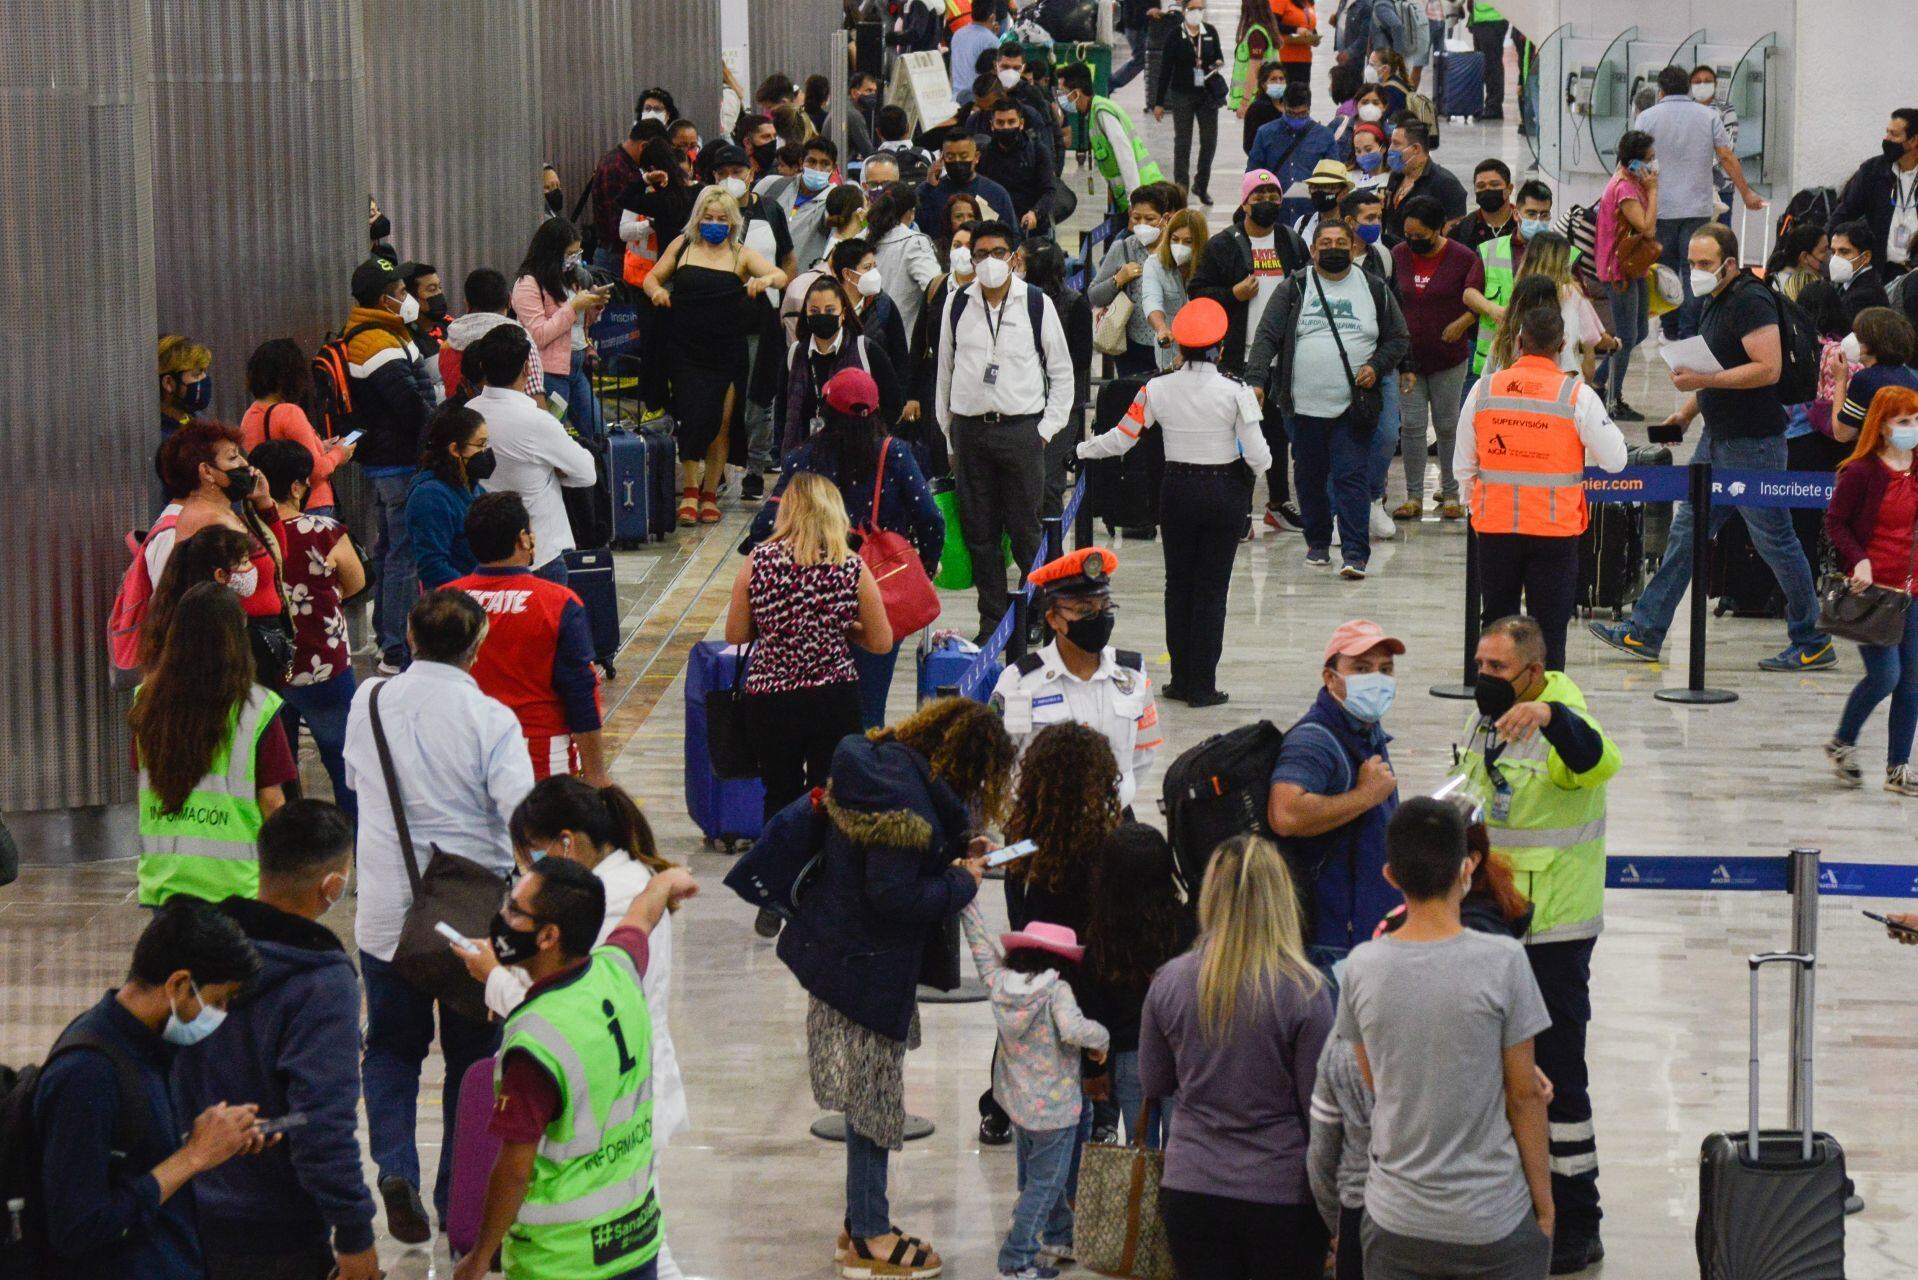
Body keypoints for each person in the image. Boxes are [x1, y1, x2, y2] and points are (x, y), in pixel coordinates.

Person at [776, 697, 1017, 1279]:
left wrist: (958, 851)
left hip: (846, 959)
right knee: (874, 1106)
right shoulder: (901, 806)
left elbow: (901, 859)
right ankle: (870, 1238)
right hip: (867, 972)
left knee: (869, 1101)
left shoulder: (885, 769)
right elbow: (895, 895)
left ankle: (859, 1219)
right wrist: (961, 882)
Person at [345, 589, 533, 1241]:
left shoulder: (366, 702)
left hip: (386, 913)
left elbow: (356, 782)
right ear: (477, 647)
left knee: (392, 1049)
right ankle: (459, 1203)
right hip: (469, 918)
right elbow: (522, 814)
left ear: (410, 636)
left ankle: (396, 1166)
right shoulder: (493, 720)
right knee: (474, 1058)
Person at [1451, 615, 1619, 1273]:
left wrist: (1550, 715)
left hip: (1552, 934)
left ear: (1533, 671)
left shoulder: (1563, 717)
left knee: (1559, 1080)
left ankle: (1579, 1223)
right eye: (1480, 665)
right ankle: (1518, 1204)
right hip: (1493, 928)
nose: (1484, 677)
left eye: (1496, 668)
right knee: (1502, 1077)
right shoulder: (1487, 719)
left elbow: (1596, 758)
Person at [1591, 224, 1835, 671]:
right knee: (1687, 534)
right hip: (1718, 438)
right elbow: (1713, 363)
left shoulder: (1750, 300)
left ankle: (1813, 638)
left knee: (1775, 540)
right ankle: (1644, 630)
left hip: (1754, 443)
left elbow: (1768, 369)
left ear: (1729, 263)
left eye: (1704, 264)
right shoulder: (1716, 301)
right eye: (1691, 264)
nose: (1695, 273)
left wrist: (1702, 382)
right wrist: (1687, 412)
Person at [1336, 797, 1555, 1278]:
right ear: (1467, 869)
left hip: (1396, 1219)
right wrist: (1544, 1208)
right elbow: (1524, 1097)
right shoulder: (1504, 962)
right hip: (1490, 1220)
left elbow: (1378, 1083)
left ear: (1391, 876)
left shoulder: (1360, 969)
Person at [449, 857, 698, 1280]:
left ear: (548, 936)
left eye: (515, 911)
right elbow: (643, 913)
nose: (503, 918)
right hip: (635, 1242)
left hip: (563, 1260)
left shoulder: (536, 1042)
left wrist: (479, 1255)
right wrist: (666, 882)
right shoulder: (617, 970)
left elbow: (514, 1169)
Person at [172, 801, 377, 1280]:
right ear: (332, 886)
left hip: (180, 1204)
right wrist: (354, 1233)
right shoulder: (321, 981)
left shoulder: (189, 950)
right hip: (275, 1232)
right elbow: (320, 1122)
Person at [33, 898, 268, 1280]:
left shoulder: (150, 1047)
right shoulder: (87, 1073)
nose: (221, 1015)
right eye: (217, 1001)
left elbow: (132, 1163)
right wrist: (191, 1157)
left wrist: (210, 1140)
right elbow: (76, 1227)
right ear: (178, 984)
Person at [1139, 834, 1335, 1280]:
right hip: (1281, 1192)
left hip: (1191, 1186)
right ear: (1282, 898)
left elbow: (1154, 1083)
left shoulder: (1170, 980)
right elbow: (1318, 1110)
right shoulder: (1306, 990)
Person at [1078, 300, 1270, 704]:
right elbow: (1260, 457)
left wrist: (1082, 450)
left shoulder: (1155, 389)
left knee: (1177, 586)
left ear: (1179, 348)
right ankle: (1204, 685)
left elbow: (1122, 438)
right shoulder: (1236, 391)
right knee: (1212, 591)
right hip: (1222, 494)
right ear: (1219, 349)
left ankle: (1179, 680)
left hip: (1176, 491)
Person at [749, 368, 942, 727]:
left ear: (826, 411)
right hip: (882, 595)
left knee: (809, 714)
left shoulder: (802, 458)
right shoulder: (895, 454)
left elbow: (764, 526)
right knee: (870, 711)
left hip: (808, 599)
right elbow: (930, 517)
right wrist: (925, 568)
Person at [1456, 305, 1628, 670]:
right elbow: (1616, 460)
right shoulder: (1577, 396)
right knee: (1550, 632)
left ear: (1518, 342)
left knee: (1497, 626)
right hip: (1555, 530)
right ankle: (1547, 712)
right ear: (1562, 345)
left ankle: (1496, 711)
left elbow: (1463, 465)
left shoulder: (1483, 390)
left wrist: (1479, 504)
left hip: (1496, 527)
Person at [1244, 219, 1411, 579]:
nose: (1333, 248)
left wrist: (1376, 365)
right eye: (1326, 243)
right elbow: (1266, 337)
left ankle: (1355, 554)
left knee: (1351, 476)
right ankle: (1318, 543)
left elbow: (1398, 338)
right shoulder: (1295, 286)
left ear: (1353, 249)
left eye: (1341, 242)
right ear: (1314, 250)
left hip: (1351, 405)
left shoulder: (1374, 288)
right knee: (1309, 476)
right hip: (1301, 405)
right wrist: (1256, 381)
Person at [935, 220, 1074, 637]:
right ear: (971, 260)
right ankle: (992, 622)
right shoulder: (958, 303)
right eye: (982, 255)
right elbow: (944, 372)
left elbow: (1062, 373)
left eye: (999, 253)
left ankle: (1039, 617)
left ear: (1013, 257)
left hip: (1022, 432)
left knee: (1027, 531)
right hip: (971, 433)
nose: (990, 262)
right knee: (980, 534)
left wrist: (1045, 430)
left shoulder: (1035, 303)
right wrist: (949, 434)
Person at [960, 896, 1111, 1280]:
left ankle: (1059, 1236)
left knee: (1044, 1178)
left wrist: (967, 902)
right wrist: (1102, 1038)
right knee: (1044, 1185)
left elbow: (980, 947)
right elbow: (1076, 1030)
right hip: (1056, 1112)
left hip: (1018, 1106)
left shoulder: (1000, 984)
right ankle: (1015, 1260)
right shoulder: (1056, 991)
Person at [726, 471, 892, 818]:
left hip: (771, 695)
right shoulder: (850, 565)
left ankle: (779, 867)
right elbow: (881, 642)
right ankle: (823, 868)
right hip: (833, 695)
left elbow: (736, 634)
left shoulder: (758, 561)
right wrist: (840, 628)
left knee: (778, 792)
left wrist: (777, 625)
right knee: (830, 796)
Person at [132, 582, 292, 906]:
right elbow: (272, 801)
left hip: (165, 881)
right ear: (236, 637)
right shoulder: (257, 707)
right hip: (234, 885)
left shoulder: (146, 700)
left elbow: (142, 771)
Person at [645, 186, 789, 524]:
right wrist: (656, 293)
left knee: (721, 421)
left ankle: (710, 491)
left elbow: (781, 275)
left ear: (732, 222)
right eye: (708, 218)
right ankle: (691, 488)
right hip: (685, 347)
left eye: (721, 219)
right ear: (698, 219)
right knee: (692, 415)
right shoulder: (682, 247)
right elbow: (652, 277)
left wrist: (763, 280)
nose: (714, 223)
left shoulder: (741, 254)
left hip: (726, 349)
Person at [1263, 618, 1404, 959]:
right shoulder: (1314, 740)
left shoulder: (1362, 729)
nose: (1377, 679)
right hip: (1330, 940)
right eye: (1361, 668)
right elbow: (1284, 814)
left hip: (1362, 930)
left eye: (1385, 670)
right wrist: (1365, 796)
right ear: (1330, 678)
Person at [447, 492, 606, 785]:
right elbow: (581, 691)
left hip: (458, 756)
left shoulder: (442, 600)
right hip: (540, 760)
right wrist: (596, 774)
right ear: (523, 539)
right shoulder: (558, 603)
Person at [988, 547, 1164, 802]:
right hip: (1043, 826)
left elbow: (1142, 755)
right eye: (1085, 611)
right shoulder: (1021, 681)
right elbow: (1000, 762)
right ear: (1054, 619)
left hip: (1113, 822)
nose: (1099, 618)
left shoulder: (1131, 674)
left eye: (1105, 608)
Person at [1190, 169, 1311, 529]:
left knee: (1277, 433)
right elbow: (1197, 291)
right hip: (1237, 357)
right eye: (1259, 197)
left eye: (1274, 196)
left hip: (1282, 357)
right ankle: (1238, 508)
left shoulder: (1290, 241)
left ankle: (1277, 503)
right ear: (1245, 202)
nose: (1268, 203)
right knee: (1236, 434)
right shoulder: (1224, 244)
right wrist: (1232, 295)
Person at [250, 439, 365, 817]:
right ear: (298, 487)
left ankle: (288, 841)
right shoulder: (324, 529)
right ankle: (354, 842)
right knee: (343, 763)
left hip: (268, 669)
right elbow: (357, 581)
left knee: (275, 770)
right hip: (325, 663)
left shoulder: (245, 536)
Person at [1078, 821, 1198, 1147]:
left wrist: (1093, 1070)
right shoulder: (1185, 926)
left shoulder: (1101, 934)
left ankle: (1140, 1199)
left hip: (1130, 1054)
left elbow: (1092, 1010)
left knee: (1139, 1146)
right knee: (1180, 1145)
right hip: (1179, 1050)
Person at [1824, 387, 1918, 792]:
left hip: (1912, 591)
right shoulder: (1861, 472)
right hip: (1874, 592)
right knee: (1886, 676)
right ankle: (1844, 740)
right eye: (1903, 422)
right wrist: (1858, 558)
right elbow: (1836, 523)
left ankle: (1898, 767)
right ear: (1881, 426)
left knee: (1912, 680)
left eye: (1915, 421)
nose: (1912, 429)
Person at [1635, 65, 1765, 341]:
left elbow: (1635, 163)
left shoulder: (1646, 117)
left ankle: (1669, 331)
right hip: (1698, 207)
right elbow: (1727, 157)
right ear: (1689, 88)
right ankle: (1689, 331)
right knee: (1695, 269)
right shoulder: (1708, 116)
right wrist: (1746, 193)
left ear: (1661, 91)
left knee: (1664, 271)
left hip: (1660, 209)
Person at [464, 324, 597, 583]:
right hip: (538, 553)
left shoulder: (468, 414)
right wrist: (558, 472)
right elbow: (586, 473)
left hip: (484, 550)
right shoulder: (537, 421)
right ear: (527, 368)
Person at [1392, 194, 1482, 521]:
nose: (1413, 242)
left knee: (1447, 425)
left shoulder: (1463, 258)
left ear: (1438, 229)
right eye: (1408, 235)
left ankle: (1452, 493)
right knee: (1412, 427)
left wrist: (1462, 322)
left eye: (1420, 236)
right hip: (1409, 361)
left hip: (1449, 358)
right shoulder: (1398, 256)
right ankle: (1413, 496)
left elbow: (1478, 300)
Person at [779, 277, 904, 450]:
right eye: (814, 311)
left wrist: (874, 438)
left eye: (830, 310)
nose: (822, 315)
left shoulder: (865, 350)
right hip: (804, 459)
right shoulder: (794, 354)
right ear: (806, 314)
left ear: (843, 313)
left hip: (856, 456)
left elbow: (894, 401)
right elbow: (782, 411)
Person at [511, 217, 607, 441]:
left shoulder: (572, 278)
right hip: (549, 374)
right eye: (569, 254)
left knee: (600, 434)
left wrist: (594, 306)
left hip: (577, 367)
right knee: (553, 438)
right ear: (552, 252)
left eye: (577, 253)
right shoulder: (527, 284)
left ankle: (599, 475)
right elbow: (538, 335)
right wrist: (574, 307)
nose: (574, 260)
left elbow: (578, 326)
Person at [241, 339, 354, 517]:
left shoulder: (250, 415)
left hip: (273, 507)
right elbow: (315, 470)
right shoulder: (290, 413)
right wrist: (340, 453)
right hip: (312, 505)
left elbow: (282, 455)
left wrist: (320, 446)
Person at [1464, 178, 1557, 379]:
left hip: (1545, 359)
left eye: (1544, 215)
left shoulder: (1563, 254)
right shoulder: (1491, 249)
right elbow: (1469, 293)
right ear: (1517, 214)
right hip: (1498, 355)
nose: (1538, 220)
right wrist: (1493, 310)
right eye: (1531, 214)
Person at [1595, 129, 1658, 421]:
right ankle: (1612, 397)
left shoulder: (1632, 180)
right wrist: (1654, 190)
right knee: (1626, 335)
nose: (1653, 164)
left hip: (1634, 266)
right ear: (1633, 162)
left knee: (1640, 331)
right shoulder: (1625, 188)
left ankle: (1597, 381)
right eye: (1648, 159)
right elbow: (1647, 227)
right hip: (1618, 270)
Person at [1058, 61, 1164, 216]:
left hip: (1145, 197)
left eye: (1064, 93)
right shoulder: (1095, 112)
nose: (1062, 99)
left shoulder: (1102, 112)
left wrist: (1132, 201)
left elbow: (1125, 155)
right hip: (1134, 197)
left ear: (1076, 93)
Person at [406, 404, 493, 589]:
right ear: (455, 449)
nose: (485, 452)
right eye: (480, 444)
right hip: (454, 607)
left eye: (486, 444)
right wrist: (479, 594)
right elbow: (433, 568)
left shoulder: (474, 487)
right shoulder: (429, 496)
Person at [1089, 187, 1173, 377]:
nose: (1142, 224)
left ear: (1165, 218)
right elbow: (1094, 294)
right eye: (1136, 218)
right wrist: (1118, 280)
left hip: (1170, 347)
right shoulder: (1123, 248)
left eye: (1150, 219)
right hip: (1132, 351)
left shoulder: (1175, 250)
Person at [1513, 230, 1611, 380]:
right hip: (1565, 383)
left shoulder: (1520, 293)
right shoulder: (1572, 294)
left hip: (1523, 381)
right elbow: (1592, 342)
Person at [1831, 107, 1918, 275]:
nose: (1886, 139)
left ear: (1914, 140)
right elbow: (1844, 213)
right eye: (1887, 133)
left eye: (1894, 135)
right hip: (1881, 270)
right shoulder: (1872, 171)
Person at [1154, 0, 1225, 203]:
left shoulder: (1210, 31)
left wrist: (1217, 62)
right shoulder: (1175, 35)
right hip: (1182, 94)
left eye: (1200, 8)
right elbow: (1165, 69)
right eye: (1193, 8)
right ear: (1184, 10)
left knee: (1209, 142)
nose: (1197, 12)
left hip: (1207, 95)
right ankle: (1181, 189)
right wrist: (1159, 102)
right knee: (1183, 143)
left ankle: (1201, 185)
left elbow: (1218, 55)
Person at [441, 267, 545, 401]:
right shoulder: (518, 339)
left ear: (467, 303)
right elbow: (535, 396)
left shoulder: (447, 344)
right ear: (509, 301)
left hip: (458, 419)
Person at [1248, 84, 1339, 226]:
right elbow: (1252, 175)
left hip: (1311, 216)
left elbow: (1334, 178)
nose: (1297, 118)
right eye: (1291, 113)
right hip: (1275, 216)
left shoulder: (1324, 136)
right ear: (1283, 106)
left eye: (1302, 114)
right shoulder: (1265, 133)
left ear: (1309, 107)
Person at [866, 181, 942, 346]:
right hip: (902, 345)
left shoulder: (862, 238)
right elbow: (935, 286)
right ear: (911, 212)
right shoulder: (915, 243)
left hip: (863, 344)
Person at [978, 97, 1061, 237]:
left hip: (1033, 231)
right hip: (994, 231)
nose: (1006, 127)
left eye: (1011, 122)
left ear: (1021, 123)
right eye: (1000, 122)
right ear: (992, 125)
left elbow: (1049, 191)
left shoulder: (1038, 151)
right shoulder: (983, 155)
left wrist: (1035, 213)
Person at [1834, 307, 1918, 442]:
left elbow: (1842, 433)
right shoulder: (1908, 376)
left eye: (1857, 335)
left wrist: (1840, 380)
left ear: (1869, 344)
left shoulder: (1865, 380)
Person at [917, 131, 1016, 242]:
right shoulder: (927, 191)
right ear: (942, 158)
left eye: (963, 156)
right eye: (950, 157)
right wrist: (928, 188)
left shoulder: (996, 193)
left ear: (976, 157)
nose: (957, 161)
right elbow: (917, 229)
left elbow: (1012, 236)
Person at [1142, 208, 1210, 366]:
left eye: (1188, 241)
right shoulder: (1154, 264)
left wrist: (1191, 352)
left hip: (1206, 350)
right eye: (1175, 239)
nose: (1180, 246)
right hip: (1169, 350)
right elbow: (1151, 300)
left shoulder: (1210, 266)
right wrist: (1161, 328)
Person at [589, 120, 654, 274]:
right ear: (643, 146)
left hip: (618, 254)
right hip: (615, 257)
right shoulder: (617, 168)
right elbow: (619, 227)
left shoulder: (623, 163)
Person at [1381, 121, 1466, 238]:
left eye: (1396, 144)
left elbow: (1455, 235)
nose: (1390, 149)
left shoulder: (1446, 184)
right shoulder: (1396, 177)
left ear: (1415, 148)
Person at [1830, 219, 1893, 327]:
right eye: (1833, 252)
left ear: (1865, 257)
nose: (1836, 258)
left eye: (1844, 252)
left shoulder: (1864, 296)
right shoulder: (1850, 283)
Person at [1453, 159, 1517, 252]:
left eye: (1494, 185)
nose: (1487, 189)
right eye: (1481, 186)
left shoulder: (1522, 225)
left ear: (1509, 188)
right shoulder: (1463, 231)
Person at [158, 332, 213, 439]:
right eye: (196, 374)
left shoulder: (200, 421)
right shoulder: (163, 440)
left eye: (203, 372)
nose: (204, 378)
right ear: (168, 383)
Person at [950, 0, 1003, 105]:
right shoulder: (991, 40)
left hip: (956, 96)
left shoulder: (958, 34)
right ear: (992, 17)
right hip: (977, 98)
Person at [1241, 60, 1288, 155]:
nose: (1278, 82)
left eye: (1281, 79)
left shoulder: (1290, 106)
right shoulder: (1257, 109)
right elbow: (1249, 145)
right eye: (1273, 79)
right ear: (1263, 84)